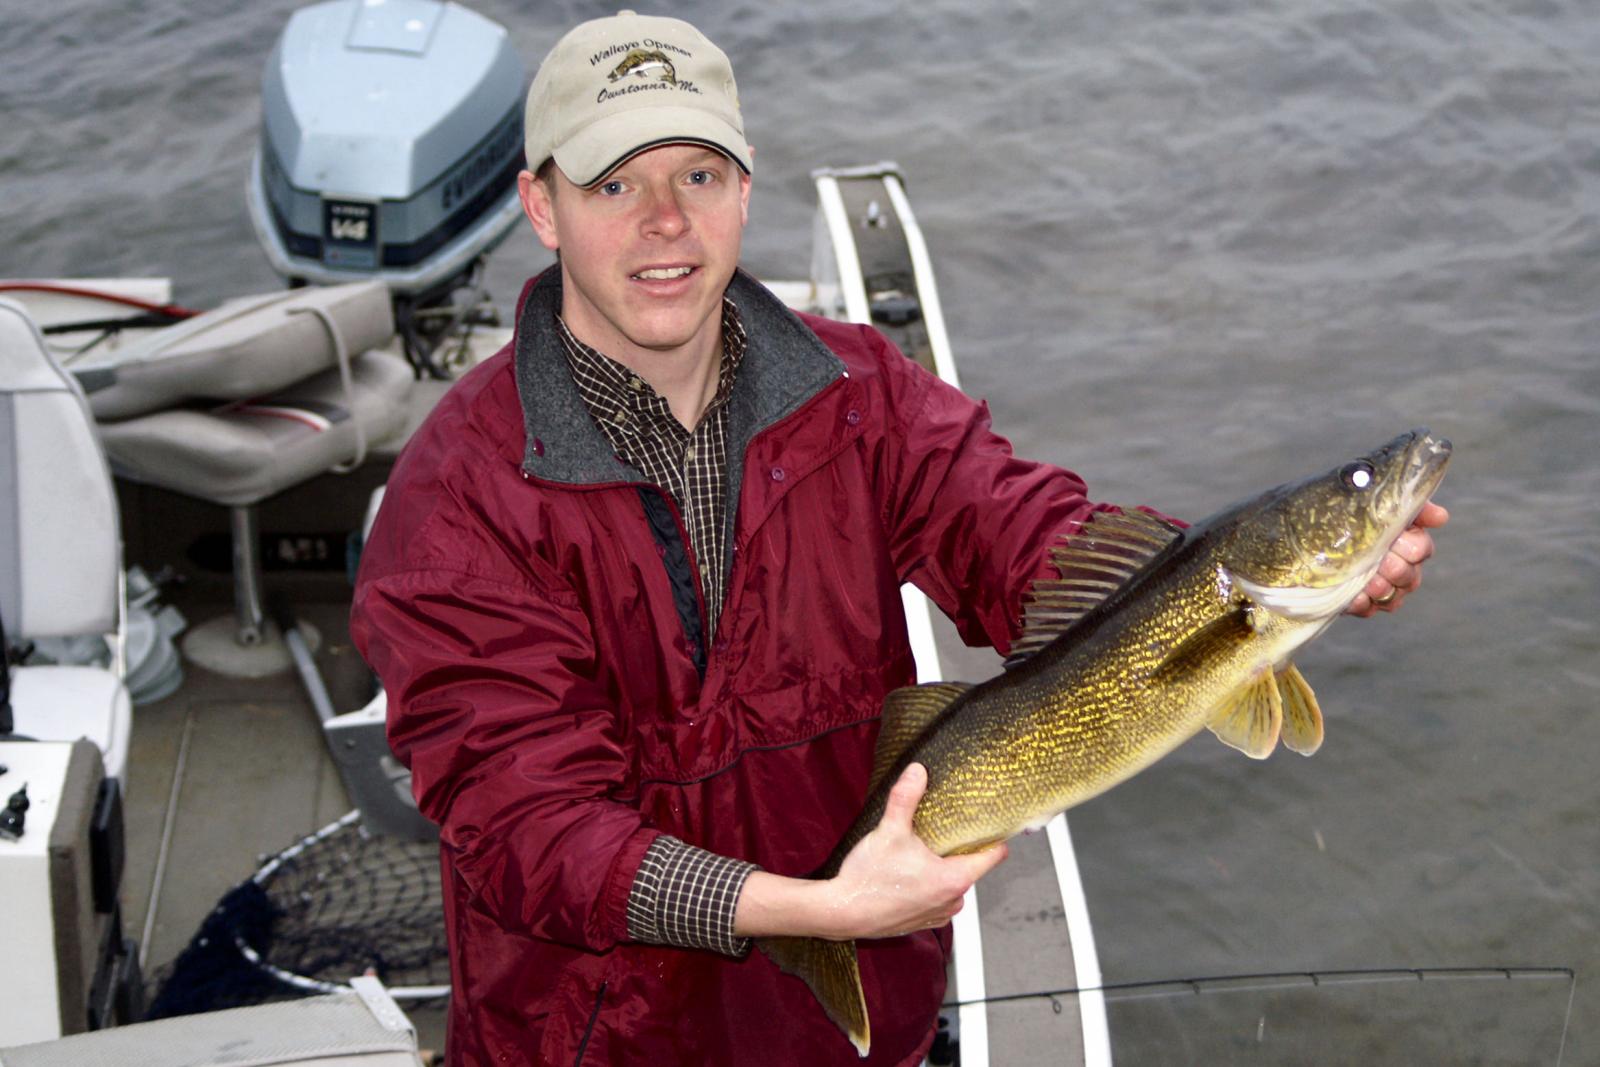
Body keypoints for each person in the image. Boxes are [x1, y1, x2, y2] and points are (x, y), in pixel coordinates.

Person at [350, 11, 1447, 1066]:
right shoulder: (456, 503)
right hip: (598, 1033)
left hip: (852, 1024)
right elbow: (519, 820)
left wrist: (1262, 583)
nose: (664, 221)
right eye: (612, 182)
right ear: (540, 207)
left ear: (743, 190)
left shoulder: (860, 389)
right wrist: (805, 909)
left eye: (697, 175)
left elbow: (1019, 533)